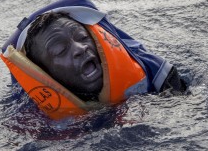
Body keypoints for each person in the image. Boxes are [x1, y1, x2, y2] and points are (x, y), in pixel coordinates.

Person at [23, 11, 186, 102]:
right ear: (43, 73)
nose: (80, 48)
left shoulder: (157, 75)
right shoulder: (37, 120)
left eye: (82, 37)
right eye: (60, 50)